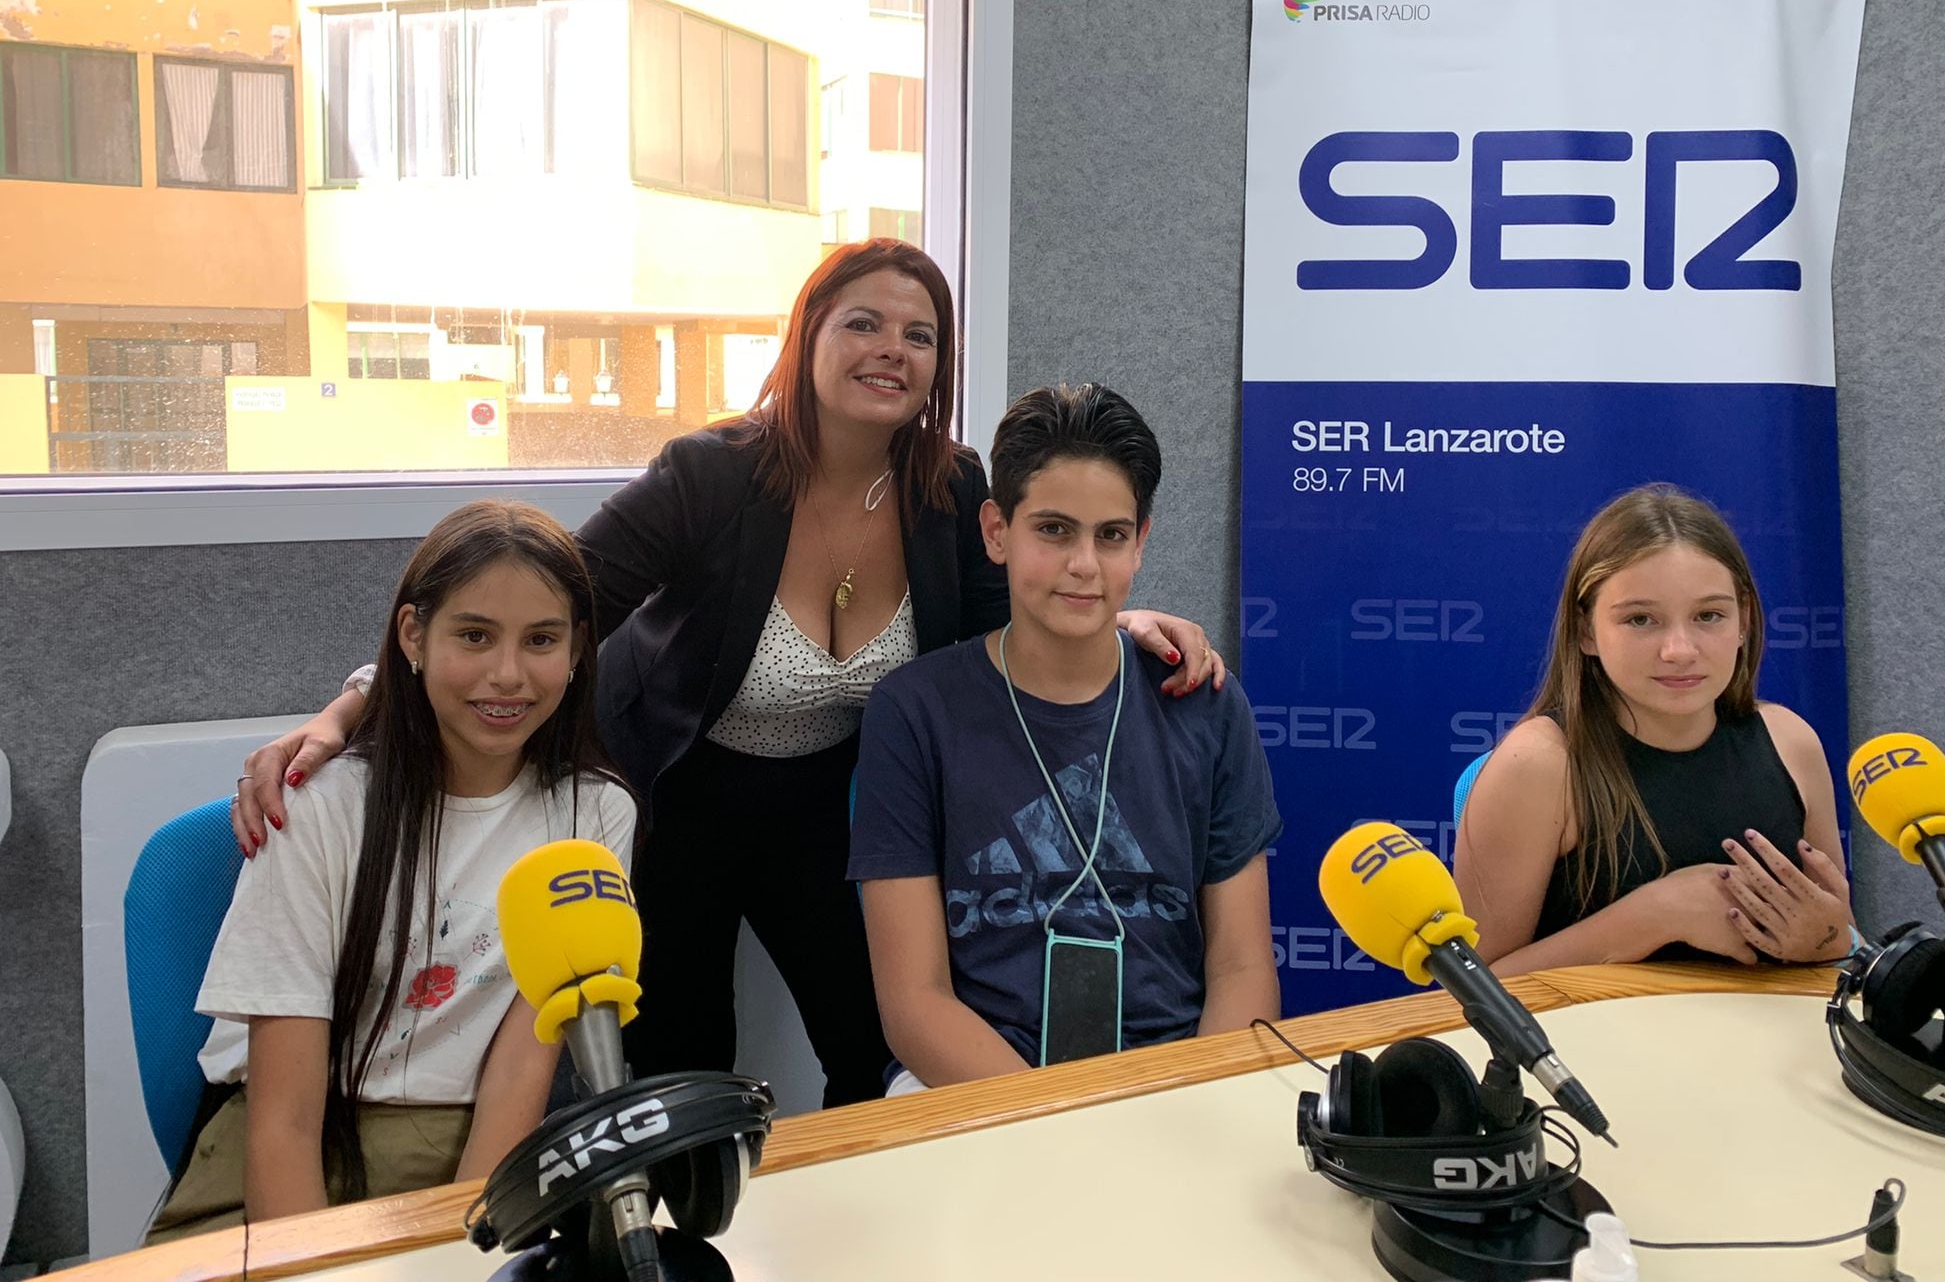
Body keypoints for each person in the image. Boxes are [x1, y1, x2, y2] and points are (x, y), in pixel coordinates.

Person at [230, 240, 1223, 1107]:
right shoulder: (711, 475)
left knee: (873, 1042)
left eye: (917, 335)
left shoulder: (949, 488)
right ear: (809, 336)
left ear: (937, 363)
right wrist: (358, 702)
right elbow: (548, 603)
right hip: (676, 793)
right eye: (862, 323)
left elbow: (1021, 610)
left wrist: (1122, 614)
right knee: (679, 1057)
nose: (890, 349)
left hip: (831, 799)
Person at [148, 502, 636, 1242]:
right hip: (302, 1148)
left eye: (541, 640)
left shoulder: (595, 817)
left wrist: (471, 1249)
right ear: (414, 635)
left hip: (473, 1147)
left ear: (577, 651)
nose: (507, 675)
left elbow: (519, 1073)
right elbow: (281, 1123)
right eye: (474, 635)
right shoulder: (317, 810)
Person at [850, 384, 1281, 1091]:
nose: (1084, 563)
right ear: (997, 532)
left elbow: (1241, 968)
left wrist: (1193, 1102)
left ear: (1140, 542)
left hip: (1172, 1082)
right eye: (1053, 530)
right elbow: (914, 1003)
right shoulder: (915, 711)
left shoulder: (1202, 703)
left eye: (1110, 535)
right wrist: (1060, 1126)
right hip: (976, 1084)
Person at [1454, 483, 1857, 977]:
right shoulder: (1538, 766)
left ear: (1744, 621)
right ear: (1586, 632)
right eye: (1641, 620)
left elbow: (1841, 948)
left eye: (1709, 615)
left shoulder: (1792, 741)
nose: (1679, 650)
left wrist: (1826, 937)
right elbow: (1469, 993)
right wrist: (1655, 915)